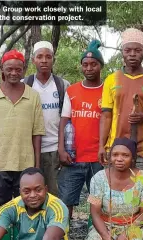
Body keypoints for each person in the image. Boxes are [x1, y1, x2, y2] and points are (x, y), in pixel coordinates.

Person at [99, 28, 143, 176]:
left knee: (141, 196)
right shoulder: (112, 79)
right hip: (116, 151)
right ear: (122, 51)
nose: (132, 54)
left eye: (137, 50)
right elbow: (106, 116)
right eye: (128, 50)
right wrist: (102, 146)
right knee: (114, 196)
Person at [0, 50, 45, 208]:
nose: (14, 73)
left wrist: (36, 165)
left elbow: (37, 134)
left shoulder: (33, 96)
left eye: (18, 69)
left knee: (28, 207)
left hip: (26, 165)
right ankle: (4, 234)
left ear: (24, 69)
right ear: (2, 68)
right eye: (9, 69)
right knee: (2, 208)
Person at [86, 138, 143, 240]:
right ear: (110, 157)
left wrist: (126, 234)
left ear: (133, 158)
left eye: (125, 155)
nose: (119, 159)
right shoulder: (97, 178)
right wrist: (106, 237)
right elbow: (94, 213)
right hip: (106, 226)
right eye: (115, 154)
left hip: (137, 226)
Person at [57, 40, 104, 219]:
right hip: (73, 157)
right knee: (65, 201)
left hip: (99, 158)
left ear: (101, 66)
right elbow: (64, 121)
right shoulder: (72, 90)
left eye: (94, 64)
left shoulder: (108, 90)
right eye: (85, 64)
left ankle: (96, 239)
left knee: (99, 202)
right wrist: (61, 149)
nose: (89, 68)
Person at [24, 41, 70, 196]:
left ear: (53, 60)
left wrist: (65, 148)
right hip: (29, 149)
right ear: (33, 60)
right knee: (32, 193)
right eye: (40, 56)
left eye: (48, 56)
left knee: (54, 194)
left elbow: (68, 118)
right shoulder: (25, 84)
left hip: (55, 149)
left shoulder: (63, 85)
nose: (44, 60)